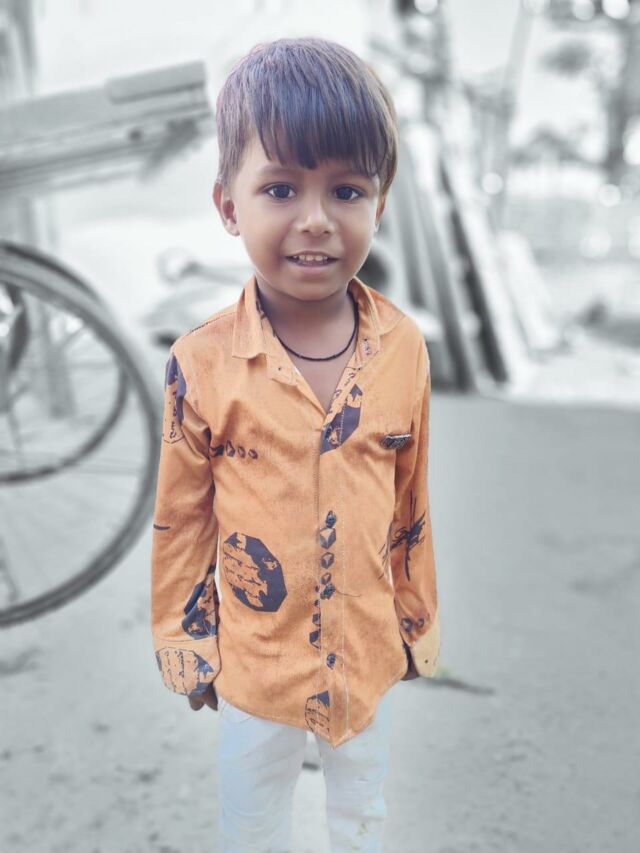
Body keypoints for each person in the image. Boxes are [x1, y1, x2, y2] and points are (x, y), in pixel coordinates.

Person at [150, 36, 441, 853]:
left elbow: (411, 500)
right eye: (280, 188)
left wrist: (415, 619)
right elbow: (181, 519)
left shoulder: (403, 349)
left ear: (380, 204)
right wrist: (186, 637)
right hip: (257, 660)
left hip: (365, 651)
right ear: (229, 206)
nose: (315, 219)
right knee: (252, 817)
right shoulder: (202, 363)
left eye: (346, 190)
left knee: (362, 813)